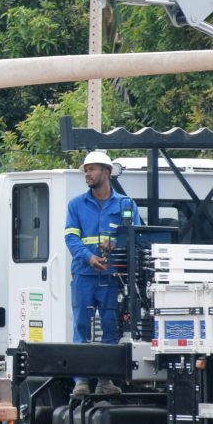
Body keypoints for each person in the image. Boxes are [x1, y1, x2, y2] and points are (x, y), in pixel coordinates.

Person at [63, 151, 139, 398]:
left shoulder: (125, 205)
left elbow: (136, 235)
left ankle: (105, 380)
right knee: (82, 328)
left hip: (111, 277)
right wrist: (89, 257)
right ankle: (81, 382)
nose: (87, 173)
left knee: (110, 328)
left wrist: (115, 245)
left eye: (92, 169)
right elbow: (71, 237)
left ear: (106, 173)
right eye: (85, 169)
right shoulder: (76, 205)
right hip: (84, 275)